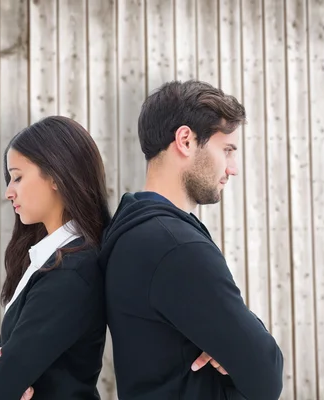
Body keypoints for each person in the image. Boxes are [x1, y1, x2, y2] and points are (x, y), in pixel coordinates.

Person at [98, 80, 284, 399]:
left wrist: (230, 345)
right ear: (185, 140)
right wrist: (235, 346)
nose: (233, 168)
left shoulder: (132, 230)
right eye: (226, 150)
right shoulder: (176, 246)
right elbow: (266, 374)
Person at [0, 116, 111, 400]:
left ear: (57, 176)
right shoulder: (53, 259)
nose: (9, 192)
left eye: (18, 177)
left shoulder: (71, 272)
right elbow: (1, 352)